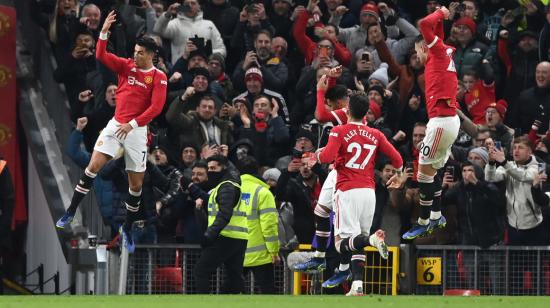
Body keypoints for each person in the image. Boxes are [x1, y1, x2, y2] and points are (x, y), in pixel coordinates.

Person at [55, 11, 168, 254]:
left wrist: (135, 125)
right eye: (135, 51)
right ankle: (70, 210)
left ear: (150, 55)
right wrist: (104, 31)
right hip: (116, 125)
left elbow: (156, 108)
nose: (135, 55)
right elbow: (100, 54)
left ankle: (127, 227)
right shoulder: (126, 67)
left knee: (135, 186)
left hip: (137, 132)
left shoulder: (159, 78)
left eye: (140, 53)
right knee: (92, 167)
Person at [310, 94, 403, 296]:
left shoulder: (339, 130)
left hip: (347, 191)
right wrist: (399, 177)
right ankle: (357, 286)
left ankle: (372, 241)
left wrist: (315, 155)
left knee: (341, 243)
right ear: (365, 113)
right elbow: (397, 159)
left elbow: (326, 157)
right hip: (369, 193)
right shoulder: (376, 134)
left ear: (348, 111)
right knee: (356, 240)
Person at [402, 7, 461, 240]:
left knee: (424, 173)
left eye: (418, 52)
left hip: (441, 122)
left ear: (425, 47)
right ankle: (435, 216)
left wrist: (440, 13)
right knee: (430, 171)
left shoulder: (435, 52)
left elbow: (425, 24)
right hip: (448, 121)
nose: (418, 57)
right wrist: (441, 20)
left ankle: (426, 220)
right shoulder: (443, 51)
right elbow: (435, 32)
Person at [194, 155, 247, 294]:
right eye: (209, 168)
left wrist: (209, 234)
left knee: (201, 270)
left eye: (214, 168)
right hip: (237, 237)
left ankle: (203, 304)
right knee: (234, 277)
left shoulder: (226, 186)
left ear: (223, 168)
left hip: (224, 236)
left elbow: (225, 213)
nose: (210, 171)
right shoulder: (225, 185)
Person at [237, 156, 280, 294]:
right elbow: (269, 226)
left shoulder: (229, 189)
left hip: (235, 252)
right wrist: (274, 252)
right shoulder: (263, 192)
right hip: (260, 254)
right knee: (268, 294)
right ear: (258, 171)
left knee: (231, 293)